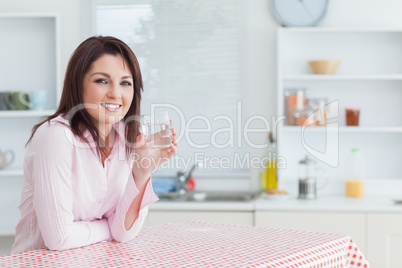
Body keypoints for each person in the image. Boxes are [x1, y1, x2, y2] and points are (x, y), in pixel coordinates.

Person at [11, 36, 177, 253]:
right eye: (102, 81)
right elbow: (59, 239)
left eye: (125, 83)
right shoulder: (55, 136)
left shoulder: (127, 140)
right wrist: (108, 227)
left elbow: (124, 233)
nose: (115, 94)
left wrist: (142, 170)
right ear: (78, 84)